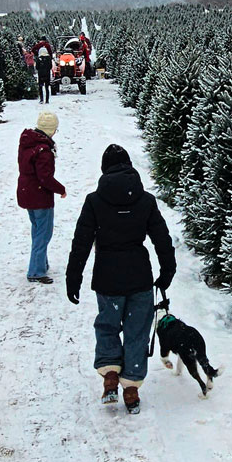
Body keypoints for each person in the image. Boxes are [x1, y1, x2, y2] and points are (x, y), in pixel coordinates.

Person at [66, 144, 175, 413]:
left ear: (104, 169)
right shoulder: (146, 200)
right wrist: (167, 270)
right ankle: (131, 389)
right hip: (139, 276)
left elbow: (81, 242)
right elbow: (162, 238)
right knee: (137, 331)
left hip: (107, 277)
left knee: (108, 325)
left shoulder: (94, 201)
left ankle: (110, 375)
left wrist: (73, 276)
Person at [17, 109, 66, 282]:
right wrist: (61, 189)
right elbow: (45, 178)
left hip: (27, 193)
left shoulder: (28, 143)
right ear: (52, 130)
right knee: (43, 234)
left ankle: (41, 264)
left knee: (37, 231)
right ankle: (36, 271)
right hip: (39, 196)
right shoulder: (43, 150)